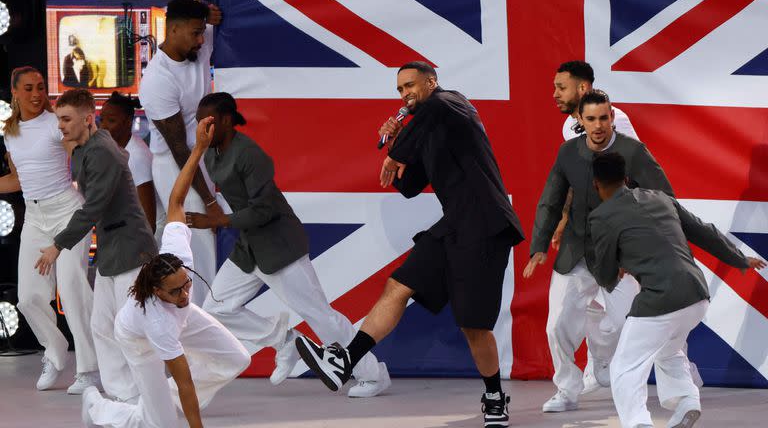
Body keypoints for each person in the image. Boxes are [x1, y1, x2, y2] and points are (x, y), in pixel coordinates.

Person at [294, 62, 525, 427]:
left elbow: (429, 113)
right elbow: (410, 185)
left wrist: (397, 146)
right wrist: (395, 149)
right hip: (453, 224)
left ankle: (494, 396)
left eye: (410, 86)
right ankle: (344, 362)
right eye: (400, 90)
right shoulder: (426, 128)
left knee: (473, 326)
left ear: (431, 82)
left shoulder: (453, 104)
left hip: (485, 224)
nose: (404, 94)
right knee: (398, 286)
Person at [187, 92, 390, 397]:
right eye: (199, 122)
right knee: (215, 309)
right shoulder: (212, 151)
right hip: (249, 247)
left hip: (279, 245)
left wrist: (218, 221)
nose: (202, 128)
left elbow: (264, 209)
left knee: (320, 315)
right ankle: (285, 341)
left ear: (226, 121)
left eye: (209, 122)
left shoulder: (249, 155)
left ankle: (373, 374)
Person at [81, 116, 251, 428]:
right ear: (158, 292)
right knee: (158, 424)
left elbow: (176, 199)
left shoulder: (178, 256)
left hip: (180, 321)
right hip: (137, 340)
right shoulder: (155, 320)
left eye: (186, 285)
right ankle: (96, 406)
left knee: (238, 358)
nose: (186, 293)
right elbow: (186, 381)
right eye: (176, 291)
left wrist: (198, 148)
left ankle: (159, 402)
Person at [588, 152, 766, 428]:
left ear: (596, 184)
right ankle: (686, 399)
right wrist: (739, 259)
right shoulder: (660, 197)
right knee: (668, 350)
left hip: (661, 299)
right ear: (626, 179)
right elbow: (704, 232)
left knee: (625, 366)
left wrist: (618, 268)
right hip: (696, 294)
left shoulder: (601, 216)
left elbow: (603, 272)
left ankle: (638, 423)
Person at [523, 89, 672, 413]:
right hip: (576, 252)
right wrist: (539, 246)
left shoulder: (633, 152)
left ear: (611, 117)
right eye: (591, 119)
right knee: (557, 326)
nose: (599, 125)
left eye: (604, 118)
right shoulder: (568, 154)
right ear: (579, 120)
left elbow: (662, 197)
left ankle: (624, 367)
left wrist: (656, 245)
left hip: (620, 254)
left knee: (632, 321)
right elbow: (551, 198)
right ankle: (566, 389)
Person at [38, 88, 157, 403]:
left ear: (88, 119)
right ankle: (123, 395)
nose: (60, 126)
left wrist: (57, 246)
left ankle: (144, 396)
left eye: (66, 119)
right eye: (58, 119)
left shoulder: (102, 150)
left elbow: (93, 209)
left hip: (131, 249)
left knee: (129, 327)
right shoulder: (86, 147)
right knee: (103, 324)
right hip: (112, 250)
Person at [0, 67, 98, 394]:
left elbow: (81, 154)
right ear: (14, 92)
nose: (36, 94)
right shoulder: (10, 132)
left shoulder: (56, 123)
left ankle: (88, 369)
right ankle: (54, 352)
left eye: (40, 87)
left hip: (68, 211)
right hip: (35, 218)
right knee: (28, 297)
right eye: (28, 88)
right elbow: (19, 179)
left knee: (72, 290)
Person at [551, 60, 641, 395]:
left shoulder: (618, 120)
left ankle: (682, 375)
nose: (556, 94)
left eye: (562, 87)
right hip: (585, 233)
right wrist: (562, 220)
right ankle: (574, 383)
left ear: (583, 89)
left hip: (620, 230)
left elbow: (630, 171)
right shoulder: (567, 127)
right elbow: (573, 180)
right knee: (565, 315)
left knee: (631, 314)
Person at [139, 0, 223, 306]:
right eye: (195, 33)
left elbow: (215, 16)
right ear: (172, 30)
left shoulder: (194, 46)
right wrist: (210, 201)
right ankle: (203, 319)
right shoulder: (157, 81)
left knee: (206, 243)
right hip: (176, 168)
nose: (202, 40)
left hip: (203, 159)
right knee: (198, 249)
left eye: (203, 32)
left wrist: (211, 12)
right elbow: (179, 149)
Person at [99, 91, 163, 236]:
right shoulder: (118, 148)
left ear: (128, 122)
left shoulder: (136, 157)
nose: (103, 126)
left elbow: (149, 223)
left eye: (111, 120)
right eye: (102, 119)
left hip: (149, 238)